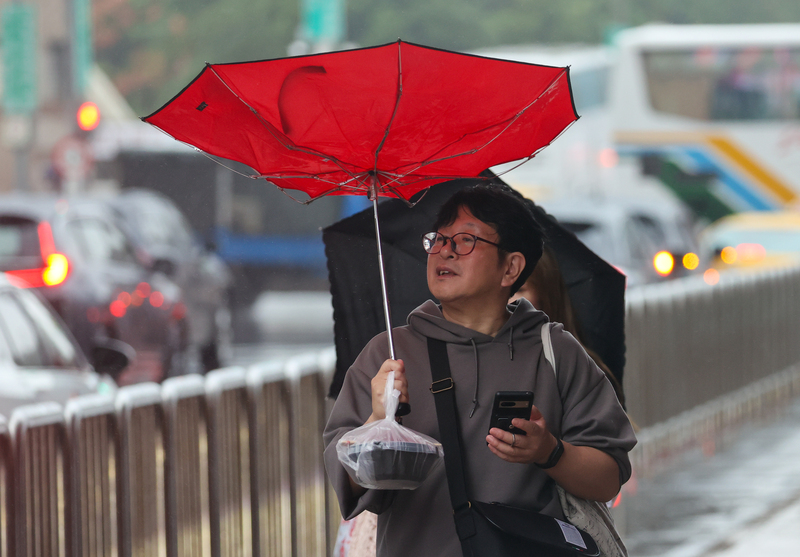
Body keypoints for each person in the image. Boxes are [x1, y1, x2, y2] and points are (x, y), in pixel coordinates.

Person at [323, 184, 636, 557]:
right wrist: (378, 420)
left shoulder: (556, 352)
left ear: (511, 268)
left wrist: (549, 451)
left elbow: (608, 478)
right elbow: (347, 483)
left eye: (466, 240)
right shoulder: (390, 354)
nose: (445, 250)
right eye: (438, 239)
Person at [511, 245, 626, 408]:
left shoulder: (580, 369)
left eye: (518, 289)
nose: (505, 299)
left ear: (546, 294)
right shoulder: (481, 358)